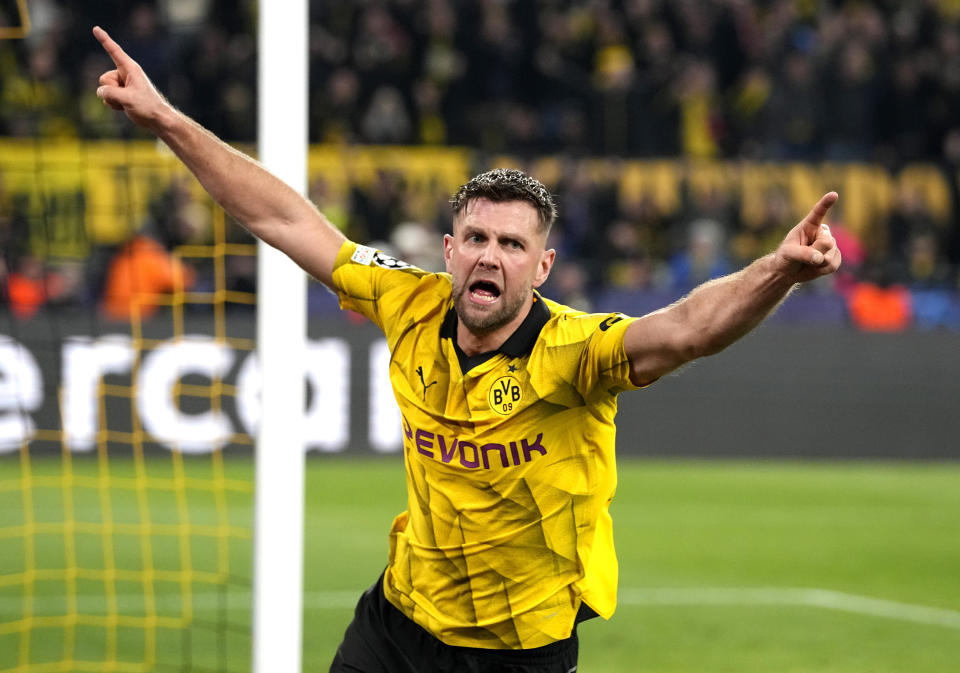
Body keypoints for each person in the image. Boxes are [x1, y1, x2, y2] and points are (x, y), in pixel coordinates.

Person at [92, 25, 842, 673]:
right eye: (477, 238)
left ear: (542, 267)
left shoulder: (576, 352)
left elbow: (687, 328)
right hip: (399, 620)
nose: (492, 255)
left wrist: (778, 269)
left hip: (521, 649)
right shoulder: (405, 297)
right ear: (449, 250)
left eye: (513, 244)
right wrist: (167, 122)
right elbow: (284, 220)